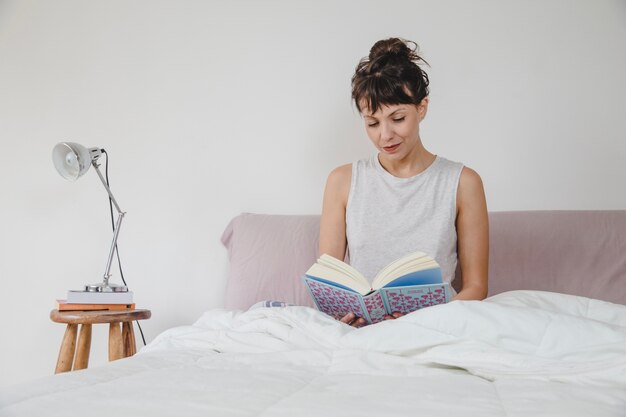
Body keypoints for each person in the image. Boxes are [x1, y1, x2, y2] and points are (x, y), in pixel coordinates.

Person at [319, 38, 489, 328]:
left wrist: (421, 323)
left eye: (397, 118)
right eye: (372, 123)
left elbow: (476, 288)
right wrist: (342, 315)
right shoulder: (342, 181)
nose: (385, 135)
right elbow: (329, 284)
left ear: (422, 108)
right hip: (365, 333)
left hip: (434, 329)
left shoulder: (462, 182)